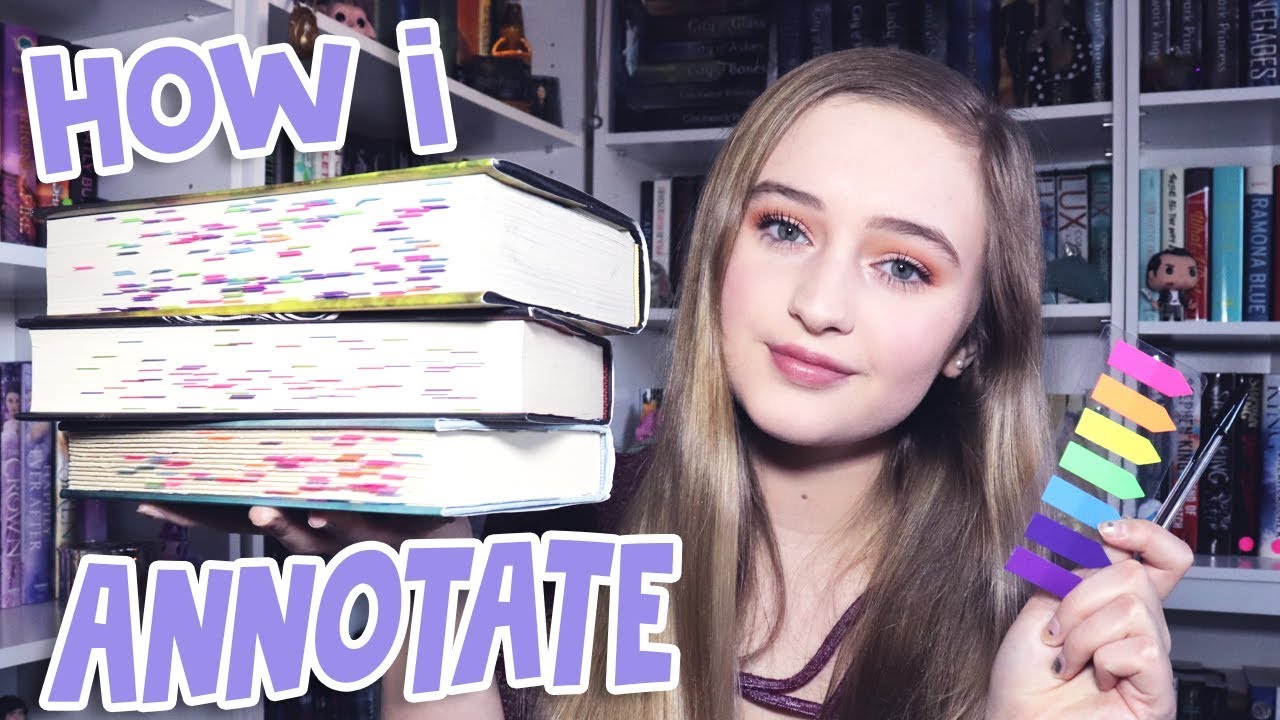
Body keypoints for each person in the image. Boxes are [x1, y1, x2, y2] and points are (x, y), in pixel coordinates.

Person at [139, 48, 1193, 719]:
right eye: (784, 228)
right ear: (716, 250)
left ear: (970, 340)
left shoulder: (1039, 624)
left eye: (903, 267)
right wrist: (427, 593)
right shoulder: (547, 545)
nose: (819, 303)